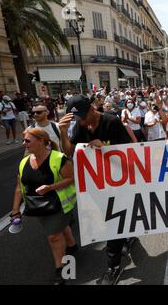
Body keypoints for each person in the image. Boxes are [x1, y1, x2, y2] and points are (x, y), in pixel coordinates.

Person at [58, 95, 137, 285]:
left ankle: (113, 267)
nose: (82, 121)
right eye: (78, 119)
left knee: (112, 223)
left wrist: (107, 150)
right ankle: (128, 234)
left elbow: (132, 153)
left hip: (119, 183)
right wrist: (62, 133)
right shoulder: (81, 125)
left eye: (84, 116)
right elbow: (69, 153)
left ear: (93, 108)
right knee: (112, 220)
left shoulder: (111, 122)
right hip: (97, 186)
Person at [11, 128, 78, 285]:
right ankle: (72, 246)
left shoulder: (59, 158)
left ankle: (62, 271)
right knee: (59, 229)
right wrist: (15, 211)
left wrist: (50, 187)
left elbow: (71, 178)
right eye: (23, 141)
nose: (24, 144)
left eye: (28, 141)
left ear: (42, 140)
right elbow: (18, 188)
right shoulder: (23, 162)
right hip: (38, 207)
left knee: (53, 236)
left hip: (60, 204)